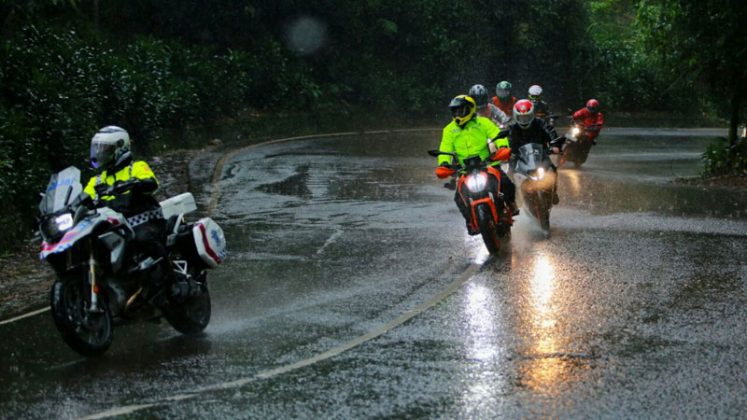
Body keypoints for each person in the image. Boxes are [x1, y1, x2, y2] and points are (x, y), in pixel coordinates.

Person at [83, 125, 193, 298]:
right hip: (115, 227)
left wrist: (135, 183)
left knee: (145, 239)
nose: (100, 154)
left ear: (120, 148)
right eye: (98, 149)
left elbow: (151, 183)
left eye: (105, 149)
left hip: (143, 221)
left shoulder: (136, 168)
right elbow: (83, 199)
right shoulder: (95, 181)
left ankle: (172, 284)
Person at [436, 95, 518, 234]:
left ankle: (511, 204)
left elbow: (497, 135)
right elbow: (445, 149)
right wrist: (444, 164)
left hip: (487, 164)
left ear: (470, 109)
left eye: (460, 110)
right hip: (465, 170)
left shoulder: (483, 123)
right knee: (459, 198)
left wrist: (503, 147)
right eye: (455, 111)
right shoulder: (448, 130)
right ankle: (470, 222)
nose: (457, 114)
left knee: (506, 184)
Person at [508, 99, 561, 205]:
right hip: (520, 156)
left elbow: (550, 131)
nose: (524, 120)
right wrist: (505, 150)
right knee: (510, 173)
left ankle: (554, 191)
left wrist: (555, 144)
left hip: (540, 154)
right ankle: (514, 199)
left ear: (532, 115)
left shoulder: (540, 123)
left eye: (527, 117)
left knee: (552, 169)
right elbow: (505, 141)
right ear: (516, 116)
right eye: (521, 117)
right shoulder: (512, 128)